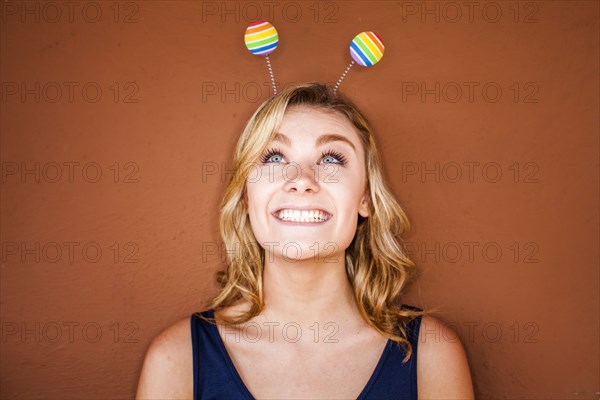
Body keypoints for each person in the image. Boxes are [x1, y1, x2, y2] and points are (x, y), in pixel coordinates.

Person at [136, 82, 474, 399]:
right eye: (274, 157)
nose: (302, 181)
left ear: (366, 198)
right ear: (245, 198)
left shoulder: (431, 353)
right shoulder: (176, 359)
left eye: (330, 159)